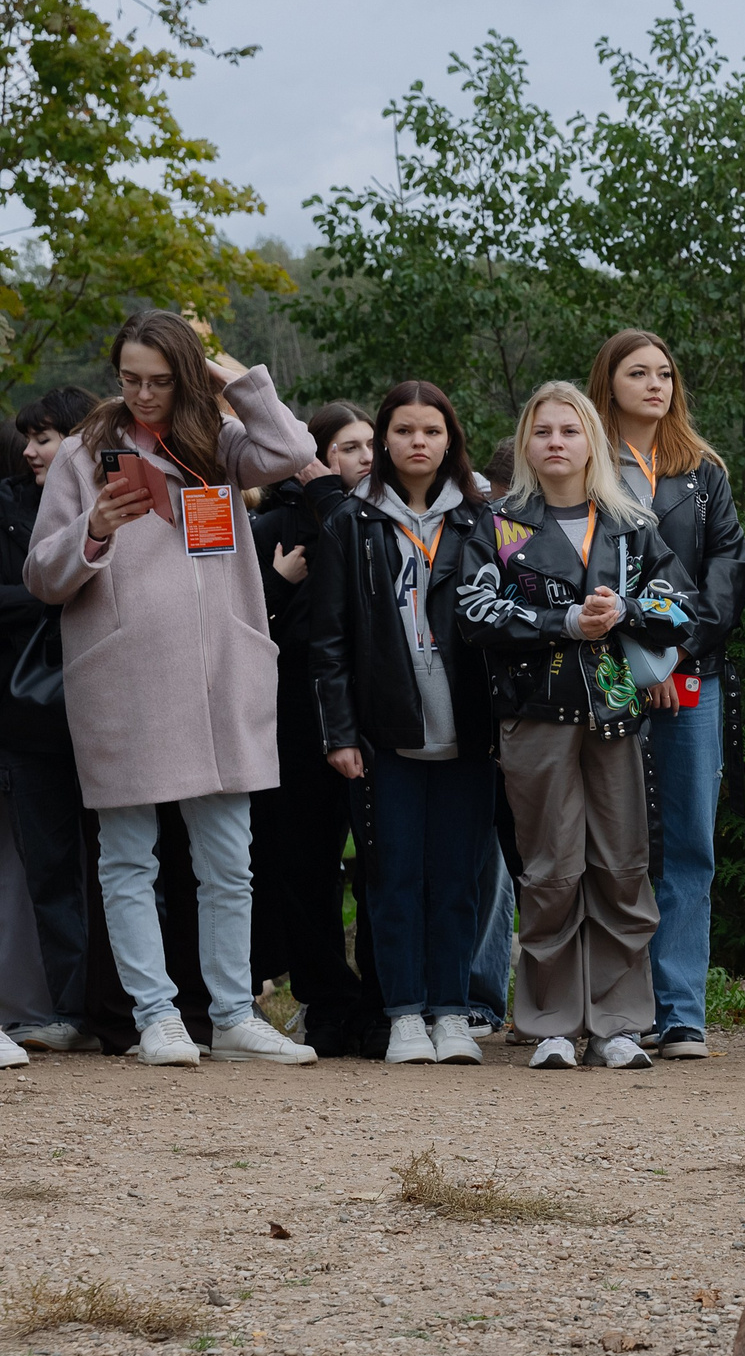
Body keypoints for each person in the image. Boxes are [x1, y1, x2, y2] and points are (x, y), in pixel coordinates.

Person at [23, 310, 319, 1067]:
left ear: (185, 376)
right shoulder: (85, 451)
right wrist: (94, 528)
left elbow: (292, 449)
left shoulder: (217, 441)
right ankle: (155, 1014)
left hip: (222, 673)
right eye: (130, 379)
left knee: (229, 856)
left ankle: (230, 1014)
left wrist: (230, 376)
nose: (144, 394)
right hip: (124, 677)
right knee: (128, 856)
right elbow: (41, 575)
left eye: (160, 379)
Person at [455, 381, 694, 1070]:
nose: (555, 441)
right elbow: (472, 613)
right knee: (551, 868)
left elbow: (684, 607)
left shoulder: (630, 522)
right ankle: (552, 1022)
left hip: (615, 710)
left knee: (622, 866)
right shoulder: (499, 522)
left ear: (591, 440)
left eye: (569, 429)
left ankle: (620, 1022)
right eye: (542, 431)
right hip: (533, 715)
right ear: (527, 444)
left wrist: (627, 611)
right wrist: (560, 621)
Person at [309, 382, 497, 1066]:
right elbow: (328, 640)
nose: (419, 441)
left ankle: (451, 1011)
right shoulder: (350, 523)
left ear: (451, 440)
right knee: (391, 879)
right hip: (385, 735)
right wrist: (339, 731)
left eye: (433, 430)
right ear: (383, 440)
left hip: (469, 732)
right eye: (404, 430)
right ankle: (404, 1013)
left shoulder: (483, 521)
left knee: (456, 878)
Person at [592, 331, 745, 1062]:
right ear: (609, 381)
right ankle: (621, 1009)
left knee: (689, 840)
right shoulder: (585, 465)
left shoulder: (702, 472)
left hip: (694, 671)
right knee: (615, 843)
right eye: (637, 372)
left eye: (664, 372)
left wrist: (675, 652)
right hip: (607, 673)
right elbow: (575, 567)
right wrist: (639, 664)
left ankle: (682, 1011)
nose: (655, 384)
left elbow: (728, 570)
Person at [251, 402, 376, 1056]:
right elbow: (239, 626)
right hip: (292, 715)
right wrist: (278, 583)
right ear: (314, 460)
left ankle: (381, 1004)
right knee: (304, 868)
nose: (364, 457)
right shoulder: (271, 523)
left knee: (380, 861)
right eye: (348, 446)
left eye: (369, 444)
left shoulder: (384, 521)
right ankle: (325, 1002)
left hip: (377, 713)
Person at [0, 387, 100, 1054]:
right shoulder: (7, 505)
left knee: (121, 863)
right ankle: (69, 1006)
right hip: (30, 712)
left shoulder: (127, 495)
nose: (33, 450)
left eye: (46, 436)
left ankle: (122, 1005)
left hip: (115, 712)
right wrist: (55, 585)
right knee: (53, 864)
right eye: (28, 437)